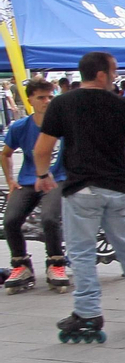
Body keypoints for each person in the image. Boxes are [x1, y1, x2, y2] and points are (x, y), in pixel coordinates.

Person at [33, 52, 125, 340]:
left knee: (81, 252)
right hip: (117, 188)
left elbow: (42, 149)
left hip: (82, 189)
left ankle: (88, 313)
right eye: (114, 70)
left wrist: (43, 175)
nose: (116, 76)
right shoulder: (123, 104)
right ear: (101, 74)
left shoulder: (62, 104)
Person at [3, 78, 69, 292]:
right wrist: (11, 180)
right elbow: (5, 154)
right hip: (29, 180)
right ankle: (21, 264)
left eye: (51, 97)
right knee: (10, 220)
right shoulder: (21, 127)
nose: (47, 101)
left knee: (49, 218)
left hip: (57, 178)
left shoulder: (64, 125)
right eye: (41, 97)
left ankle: (56, 263)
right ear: (30, 99)